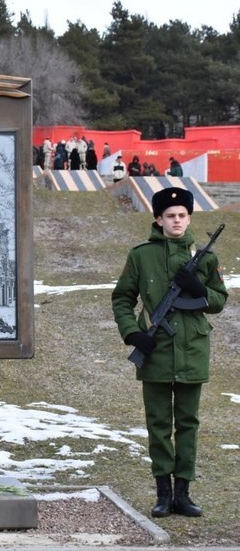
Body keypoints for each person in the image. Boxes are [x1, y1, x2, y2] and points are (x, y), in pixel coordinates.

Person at [112, 187, 227, 520]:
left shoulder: (205, 257)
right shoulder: (141, 255)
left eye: (182, 215)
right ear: (158, 219)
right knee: (158, 424)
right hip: (156, 350)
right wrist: (132, 332)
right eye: (170, 216)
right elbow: (122, 298)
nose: (177, 221)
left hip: (192, 350)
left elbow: (219, 301)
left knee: (188, 423)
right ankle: (162, 493)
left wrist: (199, 290)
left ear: (189, 218)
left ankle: (183, 493)